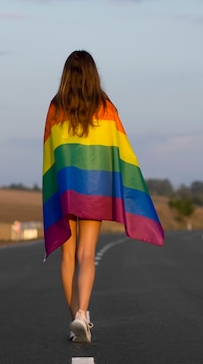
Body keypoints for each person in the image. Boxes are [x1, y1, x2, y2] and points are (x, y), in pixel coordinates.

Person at [42, 50, 164, 343]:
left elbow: (50, 154)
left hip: (66, 188)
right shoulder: (106, 108)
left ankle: (76, 318)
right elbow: (120, 150)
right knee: (87, 255)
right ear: (93, 74)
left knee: (68, 256)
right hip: (94, 190)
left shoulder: (56, 107)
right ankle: (82, 313)